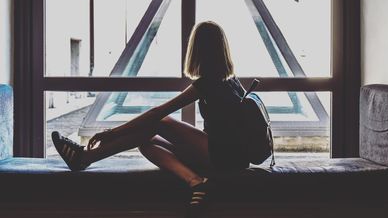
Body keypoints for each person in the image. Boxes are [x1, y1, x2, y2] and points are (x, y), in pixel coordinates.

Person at [52, 21, 249, 216]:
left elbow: (158, 114)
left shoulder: (209, 83)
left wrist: (111, 134)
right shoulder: (232, 82)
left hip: (224, 157)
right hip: (231, 156)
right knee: (145, 142)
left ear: (198, 50)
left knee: (161, 123)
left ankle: (85, 158)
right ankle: (197, 182)